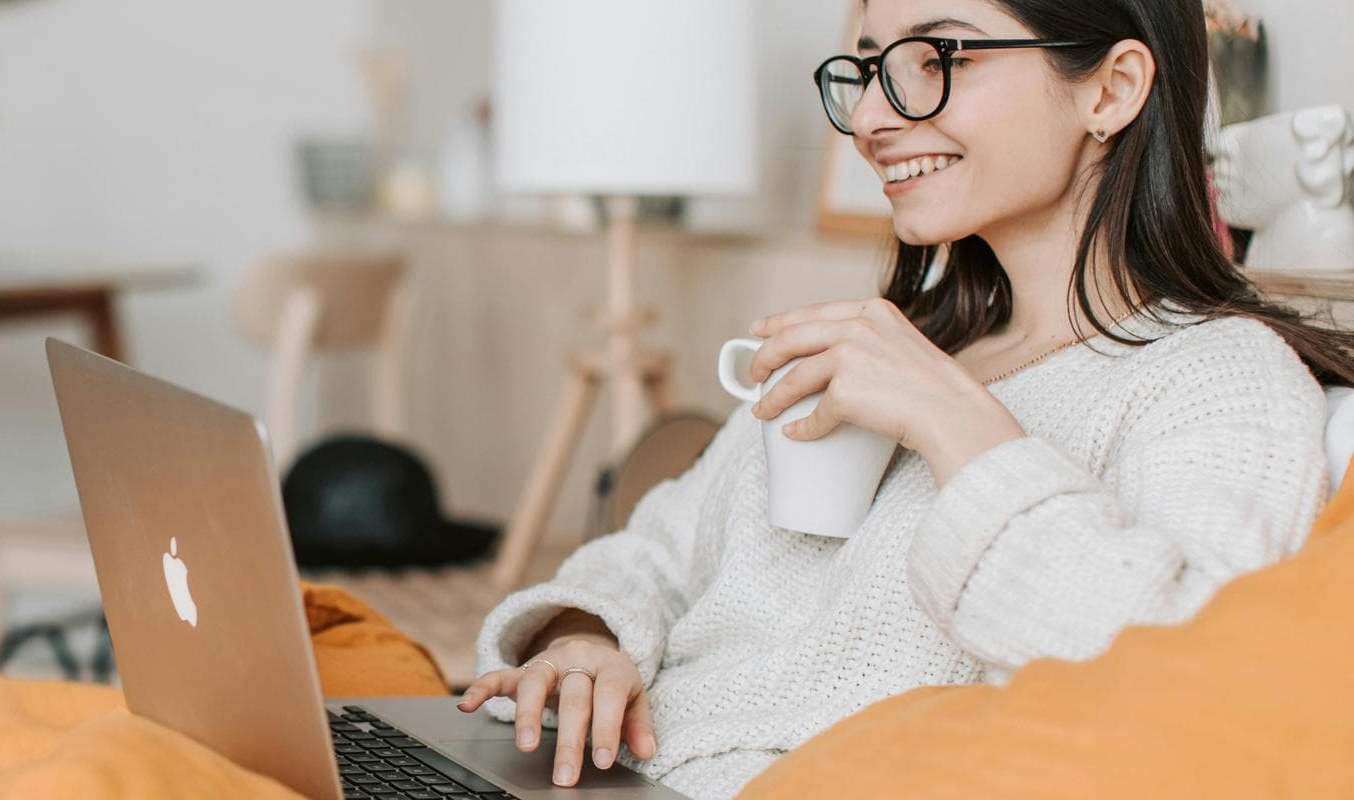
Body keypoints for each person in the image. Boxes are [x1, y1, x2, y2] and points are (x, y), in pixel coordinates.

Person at [456, 0, 1354, 797]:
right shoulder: (895, 338)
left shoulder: (1216, 378)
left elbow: (1183, 683)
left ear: (1111, 89)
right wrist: (585, 639)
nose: (875, 118)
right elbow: (654, 549)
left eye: (937, 61)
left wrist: (954, 420)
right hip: (607, 772)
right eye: (869, 69)